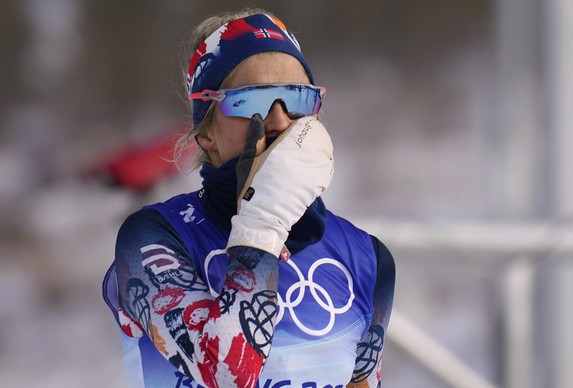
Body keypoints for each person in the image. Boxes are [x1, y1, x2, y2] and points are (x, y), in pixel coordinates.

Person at [103, 8, 395, 388]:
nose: (278, 123)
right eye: (250, 103)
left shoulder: (367, 258)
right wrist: (263, 224)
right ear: (205, 133)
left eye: (298, 100)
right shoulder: (153, 237)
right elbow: (226, 375)